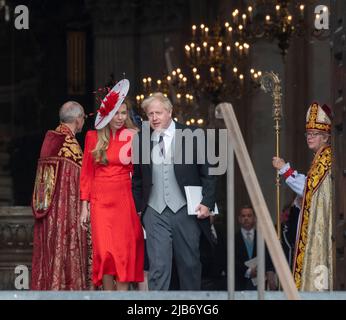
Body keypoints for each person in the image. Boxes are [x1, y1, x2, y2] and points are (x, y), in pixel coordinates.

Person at [132, 92, 217, 290]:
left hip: (186, 209)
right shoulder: (141, 139)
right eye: (150, 114)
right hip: (154, 211)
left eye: (158, 113)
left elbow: (209, 172)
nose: (154, 118)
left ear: (170, 112)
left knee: (189, 264)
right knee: (158, 267)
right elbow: (137, 178)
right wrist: (138, 209)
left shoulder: (192, 135)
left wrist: (207, 202)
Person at [80, 79, 144, 291]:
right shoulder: (93, 137)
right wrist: (84, 206)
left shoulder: (134, 136)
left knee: (123, 252)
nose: (120, 117)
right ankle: (108, 296)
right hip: (100, 201)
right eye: (116, 113)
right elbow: (87, 174)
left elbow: (142, 173)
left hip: (125, 200)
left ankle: (123, 297)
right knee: (105, 252)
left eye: (123, 113)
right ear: (107, 114)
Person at [272, 102, 333, 291]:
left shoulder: (327, 157)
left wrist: (284, 169)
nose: (310, 137)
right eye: (308, 134)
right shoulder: (319, 158)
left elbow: (309, 188)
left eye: (315, 134)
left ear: (325, 137)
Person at [31, 101, 89, 290]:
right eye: (83, 118)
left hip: (48, 215)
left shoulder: (50, 139)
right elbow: (79, 182)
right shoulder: (70, 145)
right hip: (64, 215)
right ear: (78, 120)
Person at [235, 205, 277, 291]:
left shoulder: (263, 238)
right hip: (239, 284)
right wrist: (248, 271)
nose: (246, 218)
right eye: (243, 216)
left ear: (255, 218)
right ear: (239, 219)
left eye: (249, 216)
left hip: (260, 284)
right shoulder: (232, 239)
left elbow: (268, 260)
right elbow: (230, 261)